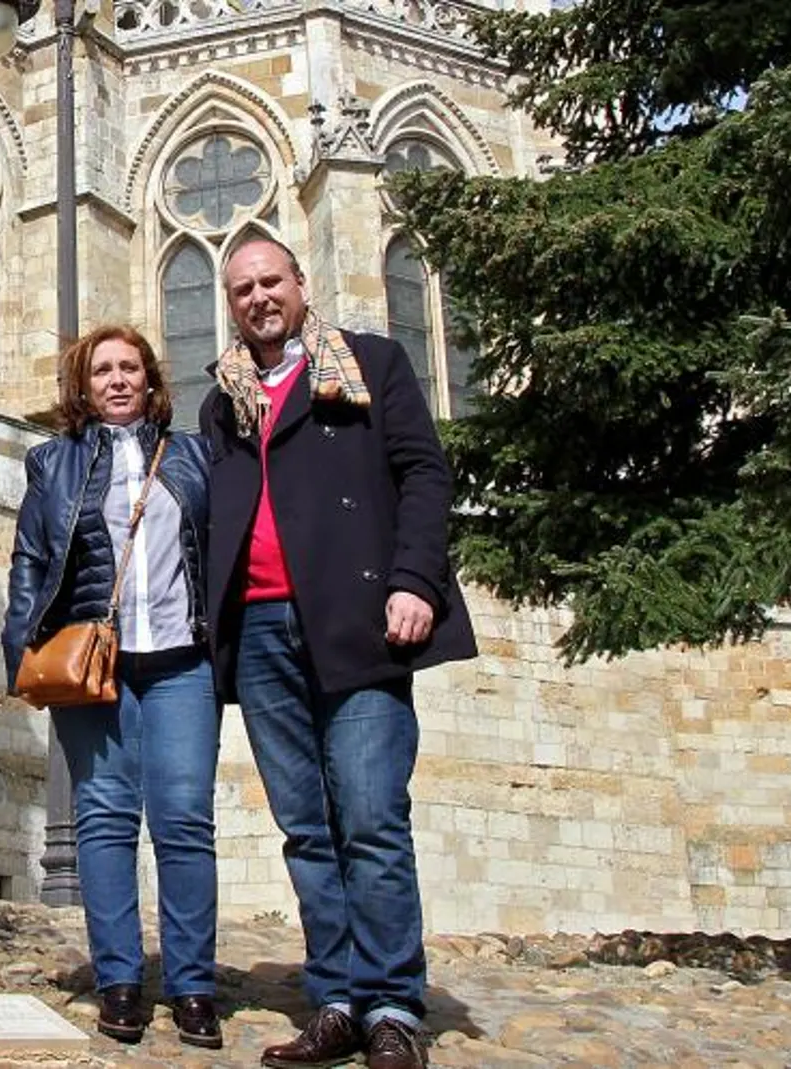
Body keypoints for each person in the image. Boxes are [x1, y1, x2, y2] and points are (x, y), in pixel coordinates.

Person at [200, 237, 476, 1069]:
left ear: (300, 283)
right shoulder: (223, 399)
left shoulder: (369, 364)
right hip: (259, 630)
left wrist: (416, 581)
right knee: (305, 828)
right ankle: (337, 996)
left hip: (358, 617)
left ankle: (393, 1002)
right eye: (242, 288)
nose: (257, 298)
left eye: (270, 281)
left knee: (370, 817)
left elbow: (424, 475)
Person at [1, 325, 221, 1049]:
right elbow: (31, 559)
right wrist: (21, 649)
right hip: (96, 662)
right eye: (103, 370)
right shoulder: (54, 462)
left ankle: (192, 985)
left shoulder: (191, 455)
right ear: (83, 385)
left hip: (182, 661)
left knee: (185, 820)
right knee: (103, 816)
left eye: (130, 367)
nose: (118, 379)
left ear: (151, 380)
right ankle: (120, 978)